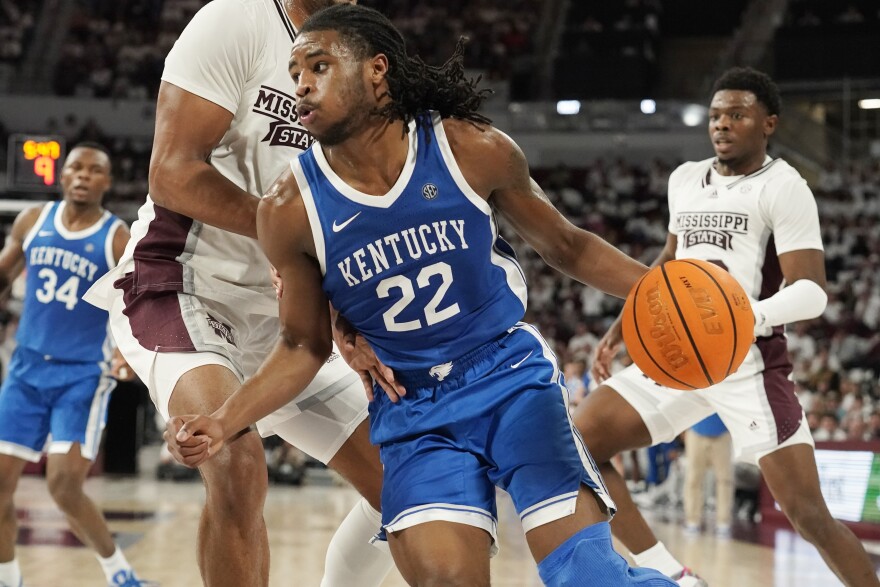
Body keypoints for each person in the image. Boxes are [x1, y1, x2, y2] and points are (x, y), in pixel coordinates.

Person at [170, 5, 677, 586]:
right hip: (413, 413)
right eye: (294, 73)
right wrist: (222, 419)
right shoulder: (288, 209)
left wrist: (657, 290)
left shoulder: (468, 146)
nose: (302, 85)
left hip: (510, 382)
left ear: (377, 69)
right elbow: (301, 346)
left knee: (590, 575)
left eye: (319, 66)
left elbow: (567, 246)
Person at [82, 1, 394, 586]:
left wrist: (350, 314)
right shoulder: (237, 20)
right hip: (182, 281)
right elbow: (171, 171)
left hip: (285, 311)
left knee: (406, 482)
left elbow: (347, 213)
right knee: (235, 462)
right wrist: (287, 238)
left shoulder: (362, 58)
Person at [573, 67, 880, 587]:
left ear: (768, 123)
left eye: (737, 114)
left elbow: (811, 291)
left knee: (810, 517)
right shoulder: (685, 179)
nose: (722, 124)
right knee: (579, 442)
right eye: (716, 115)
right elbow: (667, 265)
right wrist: (622, 328)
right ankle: (671, 573)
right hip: (680, 357)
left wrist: (744, 317)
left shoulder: (785, 187)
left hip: (748, 364)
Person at [0, 144, 148, 587]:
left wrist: (130, 353)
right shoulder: (32, 221)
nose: (83, 176)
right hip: (25, 371)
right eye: (75, 168)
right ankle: (9, 578)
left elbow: (136, 304)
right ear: (61, 176)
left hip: (82, 374)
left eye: (94, 170)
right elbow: (5, 274)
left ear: (108, 181)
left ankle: (118, 572)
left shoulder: (117, 236)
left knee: (63, 486)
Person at [682, 414, 733, 537]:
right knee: (693, 479)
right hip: (696, 432)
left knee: (725, 479)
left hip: (723, 434)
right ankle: (692, 520)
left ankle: (723, 522)